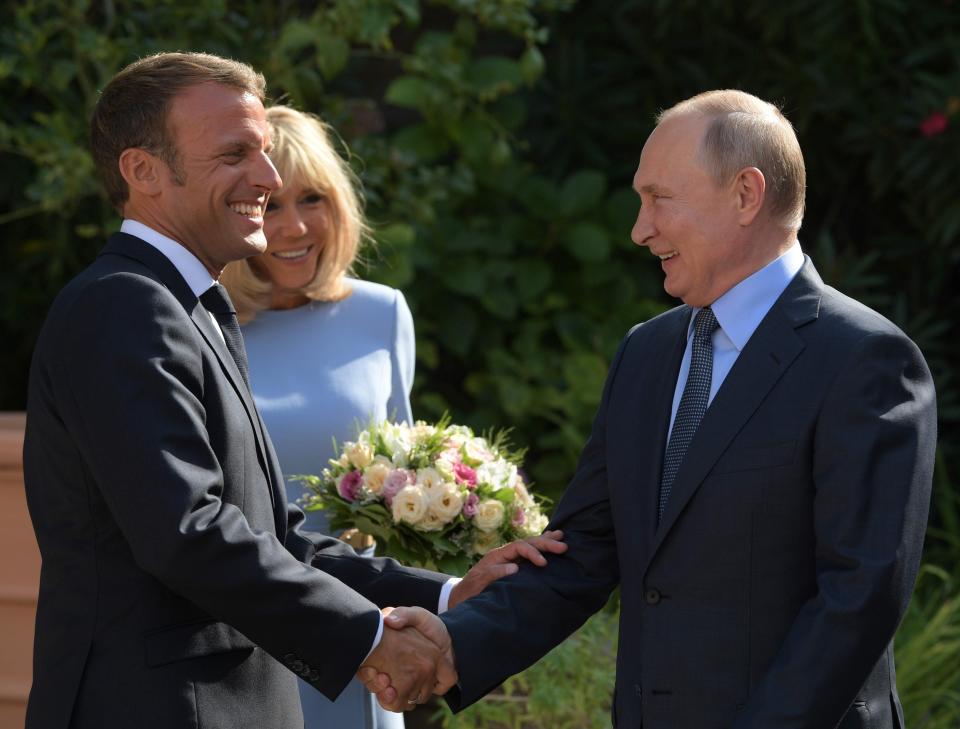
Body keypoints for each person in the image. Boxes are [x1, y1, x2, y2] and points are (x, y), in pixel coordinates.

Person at [22, 52, 562, 729]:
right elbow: (188, 534)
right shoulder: (124, 307)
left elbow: (271, 534)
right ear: (143, 172)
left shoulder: (189, 308)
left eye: (266, 153)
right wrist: (371, 638)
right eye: (235, 155)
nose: (268, 178)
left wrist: (448, 594)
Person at [373, 90, 938, 728]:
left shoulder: (864, 360)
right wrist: (459, 641)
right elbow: (585, 549)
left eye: (658, 198)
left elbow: (858, 598)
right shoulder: (647, 352)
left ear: (746, 194)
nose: (640, 229)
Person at [220, 104, 453, 728]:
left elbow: (405, 472)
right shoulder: (204, 325)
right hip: (245, 633)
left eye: (313, 199)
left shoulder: (382, 314)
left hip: (363, 632)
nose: (294, 227)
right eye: (271, 205)